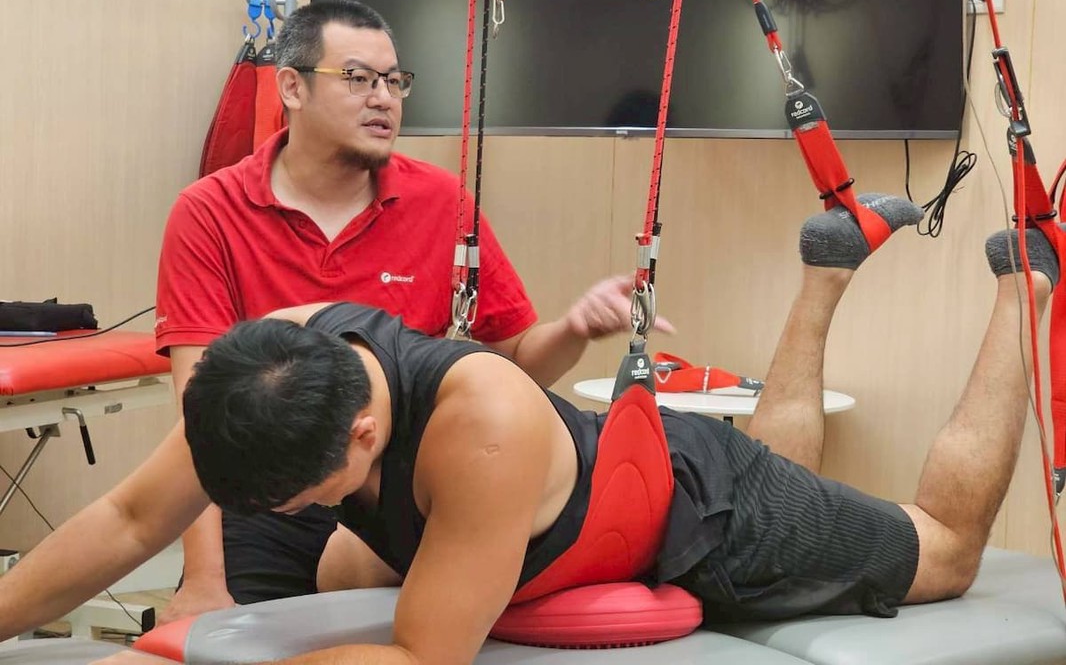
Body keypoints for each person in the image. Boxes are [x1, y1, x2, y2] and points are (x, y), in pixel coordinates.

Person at [0, 198, 1054, 665]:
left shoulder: (482, 428)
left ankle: (1027, 285)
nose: (277, 516)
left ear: (361, 438)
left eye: (295, 498)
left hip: (699, 505)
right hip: (549, 500)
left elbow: (424, 654)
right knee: (339, 565)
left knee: (944, 549)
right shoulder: (269, 363)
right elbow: (131, 515)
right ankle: (826, 270)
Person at [154, 0, 672, 623]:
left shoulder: (441, 201)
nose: (384, 98)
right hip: (274, 493)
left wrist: (574, 329)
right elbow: (201, 415)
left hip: (397, 495)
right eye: (357, 78)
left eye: (394, 80)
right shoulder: (210, 212)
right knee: (233, 637)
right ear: (291, 87)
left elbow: (512, 365)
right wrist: (203, 579)